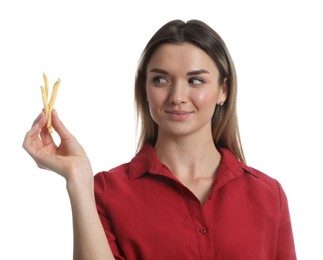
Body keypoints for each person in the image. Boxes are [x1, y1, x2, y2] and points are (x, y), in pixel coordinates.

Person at [23, 19, 296, 259]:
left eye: (196, 81)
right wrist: (78, 178)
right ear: (145, 88)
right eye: (161, 80)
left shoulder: (269, 195)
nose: (177, 96)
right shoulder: (106, 192)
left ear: (224, 89)